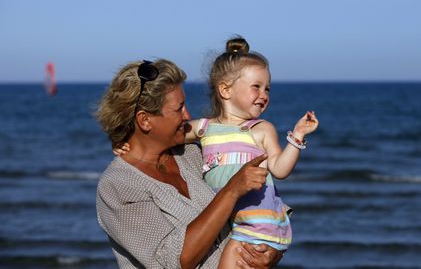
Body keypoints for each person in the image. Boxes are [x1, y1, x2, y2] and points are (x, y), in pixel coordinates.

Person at [115, 37, 319, 268]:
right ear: (225, 89)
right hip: (239, 227)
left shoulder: (260, 129)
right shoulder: (205, 130)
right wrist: (124, 141)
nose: (264, 95)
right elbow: (166, 133)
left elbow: (280, 170)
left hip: (258, 224)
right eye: (256, 87)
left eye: (267, 88)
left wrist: (297, 137)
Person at [95, 59, 282, 268]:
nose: (188, 116)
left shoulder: (193, 154)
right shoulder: (118, 185)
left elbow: (263, 202)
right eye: (179, 109)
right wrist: (231, 191)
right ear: (145, 120)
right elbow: (172, 261)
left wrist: (272, 250)